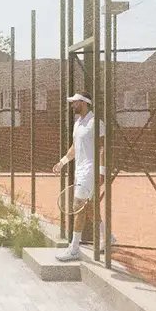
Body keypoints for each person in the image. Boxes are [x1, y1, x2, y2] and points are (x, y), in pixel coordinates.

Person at [52, 90, 101, 260]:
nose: (73, 105)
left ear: (85, 103)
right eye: (73, 102)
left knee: (78, 207)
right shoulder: (78, 124)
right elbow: (74, 148)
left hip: (90, 171)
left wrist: (101, 172)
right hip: (80, 171)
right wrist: (62, 162)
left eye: (76, 102)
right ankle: (107, 237)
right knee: (91, 208)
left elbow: (103, 149)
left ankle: (74, 249)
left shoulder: (96, 123)